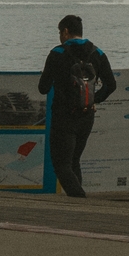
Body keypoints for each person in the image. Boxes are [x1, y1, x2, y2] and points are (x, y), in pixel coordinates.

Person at [37, 14, 116, 198]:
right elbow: (111, 85)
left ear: (65, 31)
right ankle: (78, 206)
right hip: (86, 116)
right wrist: (93, 100)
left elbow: (43, 88)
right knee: (73, 161)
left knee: (61, 164)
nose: (59, 36)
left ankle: (81, 200)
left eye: (59, 32)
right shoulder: (98, 53)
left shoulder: (57, 53)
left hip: (63, 117)